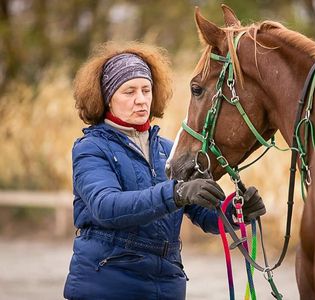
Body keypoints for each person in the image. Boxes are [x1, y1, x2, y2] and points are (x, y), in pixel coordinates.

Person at [63, 41, 266, 300]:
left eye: (146, 90)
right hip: (108, 283)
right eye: (129, 91)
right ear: (106, 98)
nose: (141, 99)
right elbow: (106, 207)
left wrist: (235, 212)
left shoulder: (169, 150)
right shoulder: (90, 148)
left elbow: (205, 216)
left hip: (166, 285)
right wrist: (175, 194)